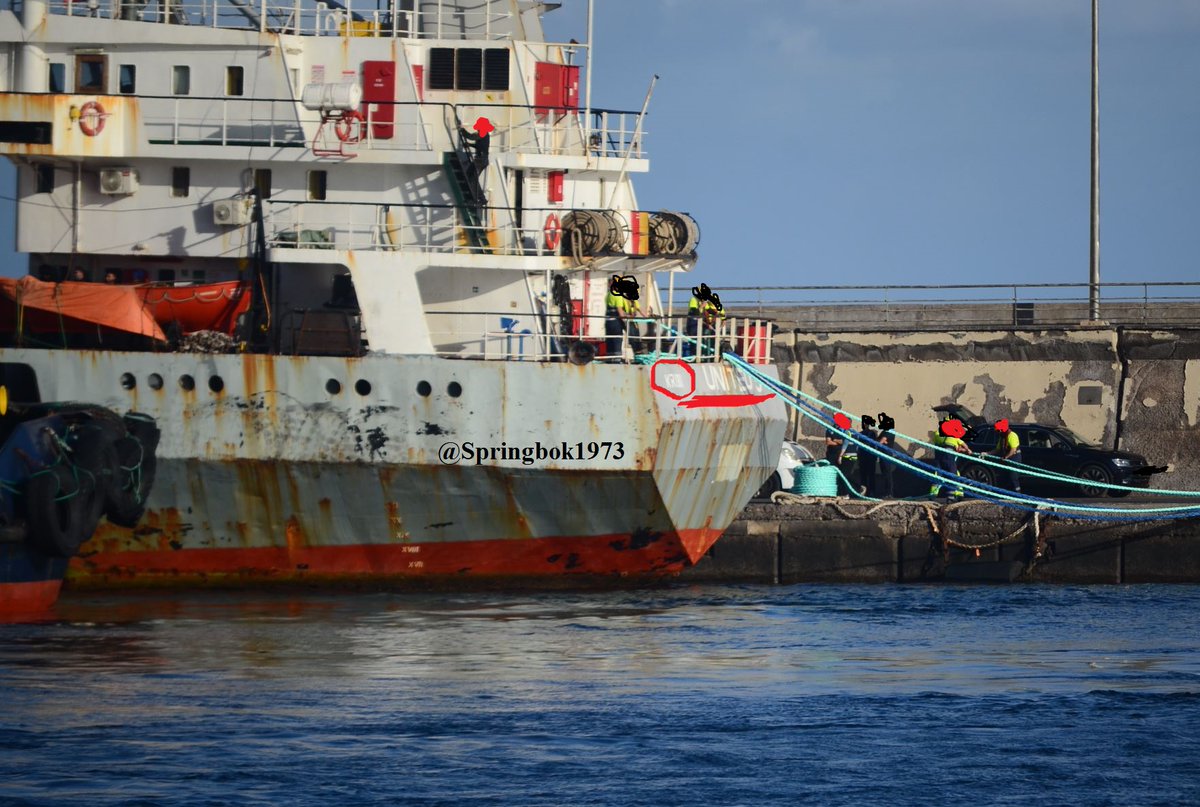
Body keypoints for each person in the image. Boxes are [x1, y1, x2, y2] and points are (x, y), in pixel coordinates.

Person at [930, 419, 973, 498]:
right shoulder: (953, 435)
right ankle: (953, 494)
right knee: (952, 473)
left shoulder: (938, 433)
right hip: (948, 455)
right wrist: (968, 450)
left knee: (939, 474)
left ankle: (933, 494)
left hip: (939, 456)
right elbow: (962, 445)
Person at [991, 419, 1022, 493]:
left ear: (1003, 430)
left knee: (1013, 477)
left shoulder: (1012, 435)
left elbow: (1013, 450)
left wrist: (1006, 457)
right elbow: (997, 450)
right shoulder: (1002, 437)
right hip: (1006, 459)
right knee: (1004, 477)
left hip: (1014, 458)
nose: (998, 433)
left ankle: (1018, 495)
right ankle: (1005, 494)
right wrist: (987, 453)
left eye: (998, 431)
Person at [604, 281, 634, 358]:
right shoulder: (618, 296)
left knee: (610, 341)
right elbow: (620, 312)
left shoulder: (608, 295)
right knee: (617, 340)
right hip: (615, 323)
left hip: (608, 322)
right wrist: (628, 316)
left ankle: (609, 359)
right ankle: (616, 359)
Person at [877, 412, 898, 498]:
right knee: (884, 474)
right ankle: (886, 492)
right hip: (882, 454)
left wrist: (881, 441)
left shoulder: (890, 431)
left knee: (887, 474)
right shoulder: (884, 431)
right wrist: (881, 441)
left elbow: (881, 441)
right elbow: (880, 441)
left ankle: (889, 493)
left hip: (886, 455)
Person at [857, 415, 879, 497]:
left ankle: (872, 492)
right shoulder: (860, 434)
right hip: (863, 456)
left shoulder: (872, 433)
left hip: (870, 456)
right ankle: (864, 491)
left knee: (871, 475)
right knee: (863, 475)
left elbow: (873, 444)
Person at [825, 425, 849, 496]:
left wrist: (834, 440)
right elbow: (828, 442)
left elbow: (843, 442)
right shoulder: (830, 429)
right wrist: (838, 442)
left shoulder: (844, 430)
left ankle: (841, 492)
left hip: (840, 455)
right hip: (831, 454)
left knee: (841, 473)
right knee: (831, 472)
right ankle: (831, 491)